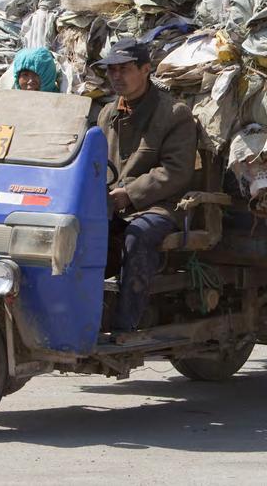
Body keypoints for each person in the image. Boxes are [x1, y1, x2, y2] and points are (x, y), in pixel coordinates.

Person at [95, 37, 197, 331]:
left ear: (145, 69)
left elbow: (176, 171)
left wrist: (130, 194)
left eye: (124, 69)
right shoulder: (106, 114)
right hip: (112, 204)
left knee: (137, 236)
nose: (116, 77)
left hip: (160, 206)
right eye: (112, 71)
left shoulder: (174, 113)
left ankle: (126, 325)